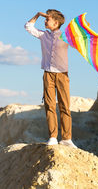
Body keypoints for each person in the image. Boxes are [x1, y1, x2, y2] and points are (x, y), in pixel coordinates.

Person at [24, 9, 76, 148]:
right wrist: (37, 15)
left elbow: (80, 41)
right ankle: (53, 137)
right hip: (48, 74)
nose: (45, 21)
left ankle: (66, 138)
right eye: (45, 19)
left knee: (65, 106)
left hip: (62, 74)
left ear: (56, 22)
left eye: (47, 19)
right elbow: (28, 26)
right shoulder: (43, 35)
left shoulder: (66, 36)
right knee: (49, 105)